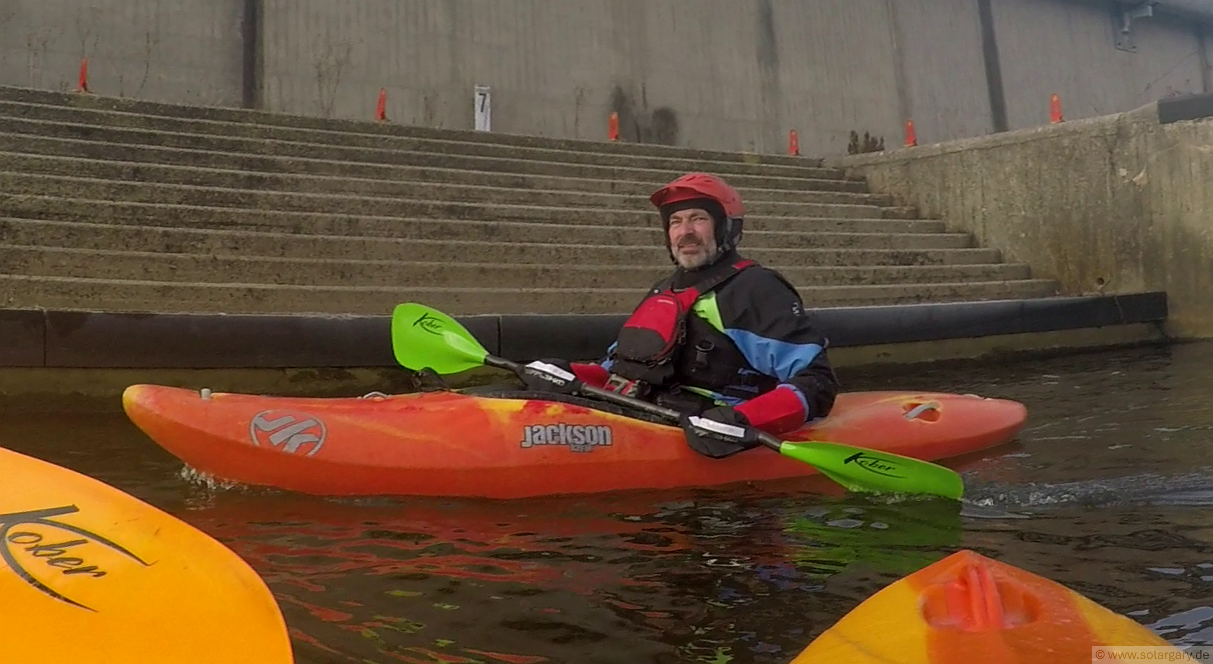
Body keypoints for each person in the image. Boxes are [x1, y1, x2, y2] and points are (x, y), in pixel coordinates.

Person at [521, 172, 839, 448]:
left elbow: (816, 382)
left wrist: (743, 419)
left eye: (698, 218)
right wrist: (567, 373)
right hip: (642, 415)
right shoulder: (664, 290)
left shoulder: (754, 288)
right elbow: (619, 371)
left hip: (711, 432)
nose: (685, 231)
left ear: (726, 228)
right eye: (675, 221)